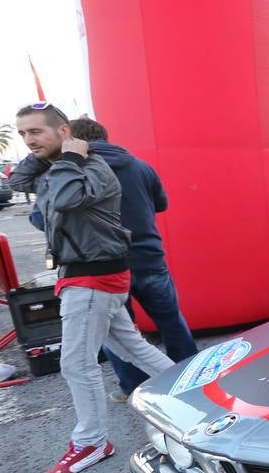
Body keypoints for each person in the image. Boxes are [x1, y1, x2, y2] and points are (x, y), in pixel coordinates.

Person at [8, 103, 176, 473]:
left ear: (65, 132)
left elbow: (67, 201)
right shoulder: (56, 167)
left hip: (93, 278)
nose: (28, 140)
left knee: (76, 364)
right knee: (133, 348)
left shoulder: (92, 167)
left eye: (35, 131)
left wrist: (68, 157)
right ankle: (198, 394)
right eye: (22, 134)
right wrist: (51, 155)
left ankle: (91, 442)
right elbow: (18, 182)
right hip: (86, 274)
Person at [64, 118, 197, 402]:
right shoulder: (140, 165)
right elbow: (161, 204)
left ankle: (133, 388)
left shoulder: (75, 171)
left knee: (119, 335)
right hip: (149, 256)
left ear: (74, 140)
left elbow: (47, 216)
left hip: (104, 266)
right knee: (171, 321)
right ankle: (193, 377)